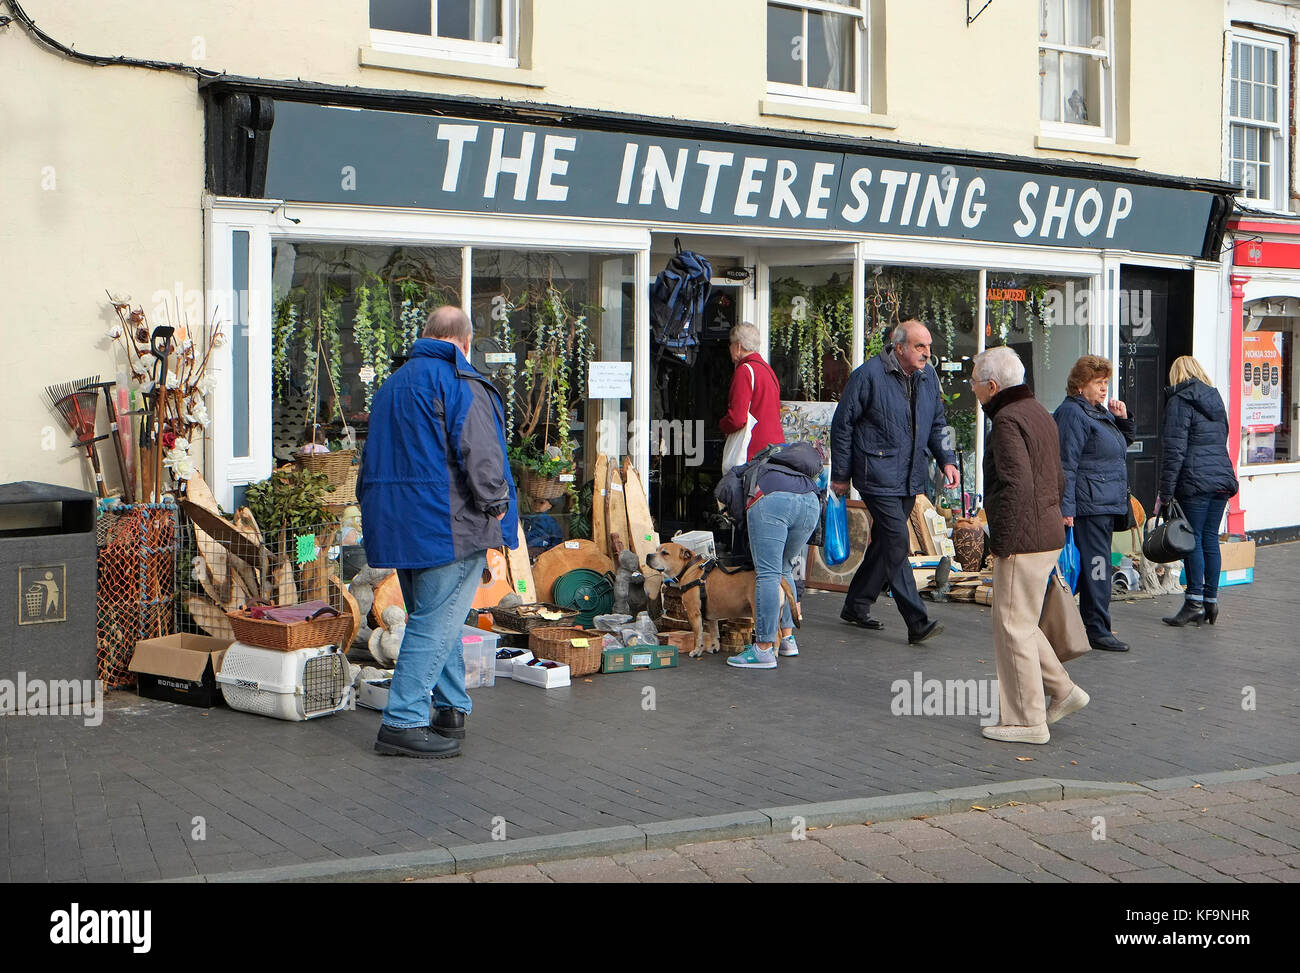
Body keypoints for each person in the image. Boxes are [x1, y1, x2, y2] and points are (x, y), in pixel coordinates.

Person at [357, 306, 518, 758]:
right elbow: (483, 458)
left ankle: (450, 709)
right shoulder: (462, 383)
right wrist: (498, 513)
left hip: (400, 524)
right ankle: (403, 721)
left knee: (435, 618)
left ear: (427, 335)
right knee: (437, 622)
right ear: (465, 343)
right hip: (451, 525)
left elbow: (372, 458)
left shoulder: (391, 385)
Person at [974, 346, 1089, 744]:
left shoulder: (1006, 420)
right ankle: (1063, 690)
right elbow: (1057, 477)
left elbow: (1016, 485)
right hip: (1047, 532)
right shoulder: (1039, 412)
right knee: (1021, 622)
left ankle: (1027, 720)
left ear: (991, 386)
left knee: (1012, 627)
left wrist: (1003, 540)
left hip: (1024, 537)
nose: (973, 389)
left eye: (974, 383)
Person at [829, 320, 958, 644]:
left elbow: (938, 422)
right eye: (919, 347)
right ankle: (917, 621)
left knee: (887, 543)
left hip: (910, 476)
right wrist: (841, 476)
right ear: (898, 347)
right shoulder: (868, 375)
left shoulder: (928, 377)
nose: (927, 353)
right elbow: (842, 426)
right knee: (898, 542)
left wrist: (947, 460)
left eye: (928, 347)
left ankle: (856, 605)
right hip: (877, 475)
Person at [1053, 355, 1135, 652]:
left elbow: (1118, 447)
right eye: (1098, 383)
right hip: (1089, 505)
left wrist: (1123, 419)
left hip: (1103, 502)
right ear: (1081, 384)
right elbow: (1065, 464)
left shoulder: (1097, 412)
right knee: (1096, 567)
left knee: (1097, 567)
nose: (1104, 389)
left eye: (1106, 383)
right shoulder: (1073, 414)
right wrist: (1066, 508)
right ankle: (1097, 628)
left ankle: (1095, 625)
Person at [719, 442, 823, 670]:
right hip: (810, 503)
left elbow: (735, 501)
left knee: (767, 574)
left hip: (773, 502)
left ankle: (764, 649)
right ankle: (787, 639)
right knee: (785, 567)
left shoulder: (749, 473)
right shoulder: (787, 469)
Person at [1158, 355, 1239, 627]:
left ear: (1176, 376)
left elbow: (1174, 451)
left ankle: (1193, 602)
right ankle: (1210, 602)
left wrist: (1166, 493)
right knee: (1209, 539)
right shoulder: (1215, 401)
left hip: (1195, 481)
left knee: (1191, 540)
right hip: (1221, 479)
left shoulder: (1179, 402)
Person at [719, 322, 784, 472]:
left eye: (730, 344)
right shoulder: (768, 371)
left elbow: (737, 418)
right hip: (774, 449)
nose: (730, 348)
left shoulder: (745, 371)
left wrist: (723, 425)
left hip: (753, 452)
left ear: (739, 346)